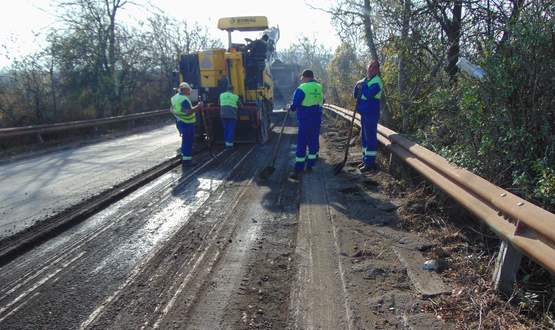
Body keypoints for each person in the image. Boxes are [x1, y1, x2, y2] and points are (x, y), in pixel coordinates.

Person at [289, 69, 324, 180]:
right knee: (313, 141)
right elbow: (323, 101)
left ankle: (299, 168)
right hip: (316, 118)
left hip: (305, 119)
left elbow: (295, 104)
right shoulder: (319, 87)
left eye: (303, 78)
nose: (302, 80)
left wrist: (291, 107)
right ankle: (310, 165)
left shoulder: (302, 88)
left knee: (302, 142)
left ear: (306, 77)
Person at [354, 59, 383, 173]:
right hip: (364, 113)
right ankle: (365, 160)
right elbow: (356, 95)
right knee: (365, 138)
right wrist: (357, 86)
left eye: (375, 67)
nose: (372, 69)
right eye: (371, 66)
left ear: (377, 69)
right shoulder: (365, 80)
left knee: (370, 138)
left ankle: (370, 163)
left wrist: (363, 85)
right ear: (367, 67)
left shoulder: (377, 82)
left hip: (371, 114)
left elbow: (369, 94)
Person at [170, 82, 203, 167]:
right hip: (187, 123)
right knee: (188, 142)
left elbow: (171, 109)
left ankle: (185, 158)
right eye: (188, 90)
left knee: (185, 141)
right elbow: (188, 112)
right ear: (184, 89)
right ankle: (187, 161)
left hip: (180, 122)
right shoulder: (184, 99)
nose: (190, 91)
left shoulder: (174, 98)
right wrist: (198, 106)